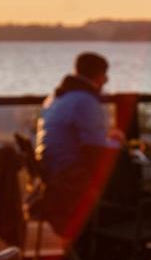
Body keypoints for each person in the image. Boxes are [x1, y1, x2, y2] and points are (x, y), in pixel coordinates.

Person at [32, 53, 124, 246]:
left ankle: (105, 253)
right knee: (129, 184)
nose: (106, 81)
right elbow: (94, 151)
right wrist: (118, 143)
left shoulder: (56, 98)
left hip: (51, 174)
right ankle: (113, 251)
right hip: (70, 178)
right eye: (105, 76)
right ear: (99, 76)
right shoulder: (85, 101)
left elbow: (79, 141)